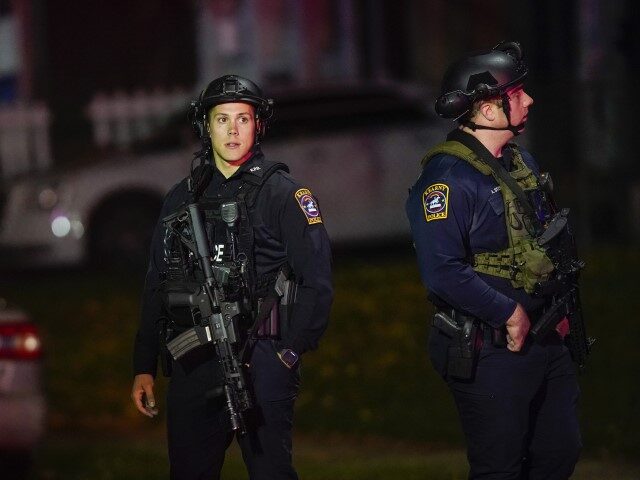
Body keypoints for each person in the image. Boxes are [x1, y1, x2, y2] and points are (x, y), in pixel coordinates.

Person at [131, 74, 333, 480]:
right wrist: (144, 365)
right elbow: (158, 281)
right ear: (205, 126)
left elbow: (318, 280)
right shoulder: (181, 196)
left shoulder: (284, 193)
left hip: (261, 355)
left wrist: (289, 353)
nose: (233, 130)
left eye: (243, 118)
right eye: (222, 119)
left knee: (270, 471)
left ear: (259, 124)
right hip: (194, 359)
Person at [406, 41, 582, 479]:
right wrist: (509, 313)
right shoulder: (446, 181)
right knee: (499, 467)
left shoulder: (520, 162)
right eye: (517, 93)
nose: (529, 99)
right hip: (490, 348)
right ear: (486, 110)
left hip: (544, 339)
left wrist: (557, 310)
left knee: (558, 454)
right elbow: (441, 272)